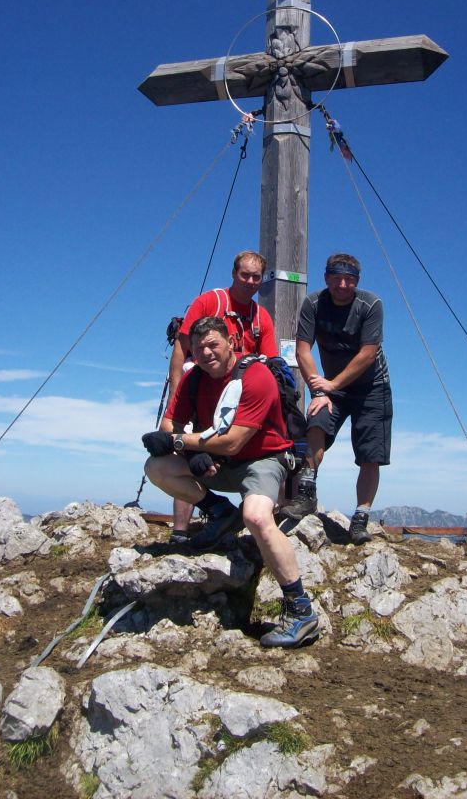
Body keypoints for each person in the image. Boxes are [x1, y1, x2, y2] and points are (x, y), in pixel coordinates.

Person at [143, 316, 319, 649]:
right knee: (157, 467)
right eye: (199, 348)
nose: (206, 353)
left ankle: (301, 610)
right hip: (221, 459)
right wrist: (188, 447)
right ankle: (220, 512)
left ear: (231, 343)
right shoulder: (194, 379)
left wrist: (184, 444)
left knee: (255, 516)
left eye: (213, 344)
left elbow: (234, 441)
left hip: (263, 460)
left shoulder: (256, 377)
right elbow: (170, 423)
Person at [166, 251, 278, 545]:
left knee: (221, 450)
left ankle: (243, 520)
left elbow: (271, 362)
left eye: (257, 277)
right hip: (201, 391)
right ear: (233, 273)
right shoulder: (209, 302)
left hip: (239, 397)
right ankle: (181, 530)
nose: (251, 282)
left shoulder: (260, 317)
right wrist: (177, 398)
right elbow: (182, 348)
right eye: (245, 275)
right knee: (187, 449)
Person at [283, 252, 392, 545]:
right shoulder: (314, 304)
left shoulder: (370, 304)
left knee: (371, 455)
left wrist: (331, 384)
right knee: (316, 423)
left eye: (350, 279)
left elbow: (368, 354)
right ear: (326, 277)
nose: (343, 284)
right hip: (332, 387)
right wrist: (320, 390)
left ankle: (359, 520)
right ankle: (306, 492)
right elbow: (302, 350)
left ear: (357, 281)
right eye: (337, 277)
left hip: (372, 387)